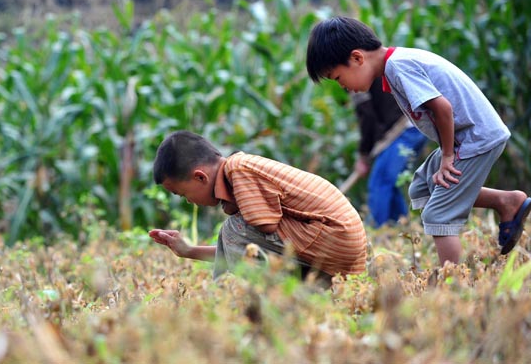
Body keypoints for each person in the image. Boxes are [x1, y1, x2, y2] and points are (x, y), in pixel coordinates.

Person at [306, 16, 531, 266]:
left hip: (476, 138)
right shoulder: (392, 68)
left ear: (357, 58)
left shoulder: (398, 67)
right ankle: (505, 200)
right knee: (422, 186)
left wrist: (447, 156)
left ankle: (451, 281)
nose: (344, 87)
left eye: (338, 78)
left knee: (439, 214)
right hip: (466, 137)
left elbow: (443, 109)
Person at [148, 130, 368, 281]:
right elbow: (250, 248)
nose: (189, 201)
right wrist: (189, 251)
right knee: (233, 232)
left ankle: (258, 300)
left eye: (183, 194)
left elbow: (259, 232)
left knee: (233, 228)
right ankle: (305, 291)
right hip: (337, 245)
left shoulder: (239, 169)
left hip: (336, 237)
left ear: (200, 177)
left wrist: (233, 211)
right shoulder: (239, 171)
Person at [350, 77, 427, 227]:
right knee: (390, 182)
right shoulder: (362, 66)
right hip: (413, 127)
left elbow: (367, 118)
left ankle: (375, 234)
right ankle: (401, 228)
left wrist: (363, 156)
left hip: (403, 129)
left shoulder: (354, 76)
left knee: (380, 181)